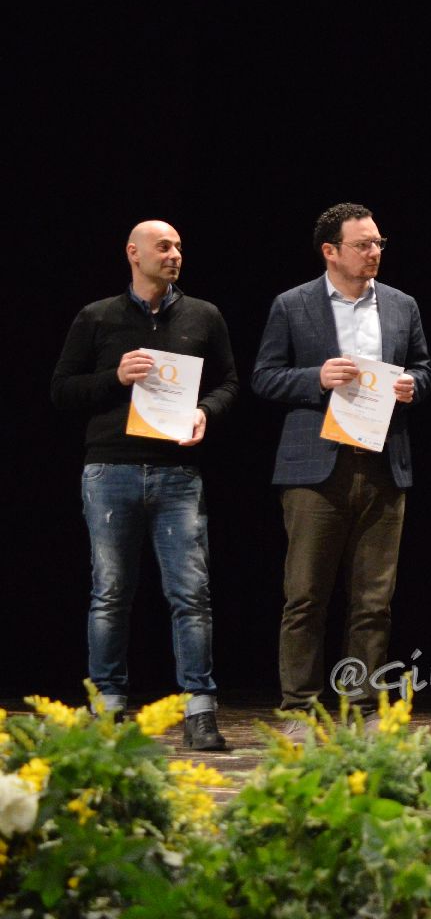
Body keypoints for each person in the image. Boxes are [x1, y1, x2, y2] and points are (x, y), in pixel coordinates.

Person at [51, 220, 237, 751]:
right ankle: (107, 708)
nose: (175, 254)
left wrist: (205, 412)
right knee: (110, 593)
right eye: (164, 246)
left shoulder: (203, 315)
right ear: (133, 253)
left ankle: (200, 711)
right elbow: (62, 390)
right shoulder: (97, 316)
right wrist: (115, 377)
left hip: (178, 474)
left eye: (179, 246)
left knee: (191, 594)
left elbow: (229, 382)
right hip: (110, 470)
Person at [251, 202, 431, 718]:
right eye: (363, 244)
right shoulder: (293, 304)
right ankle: (299, 708)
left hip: (382, 464)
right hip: (315, 469)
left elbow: (423, 368)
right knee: (305, 596)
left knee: (374, 601)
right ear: (331, 251)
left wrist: (412, 385)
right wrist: (316, 378)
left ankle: (363, 707)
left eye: (378, 243)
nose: (374, 252)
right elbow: (264, 376)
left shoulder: (401, 305)